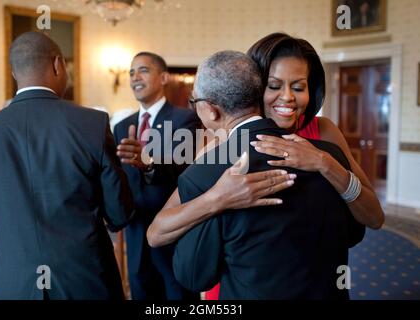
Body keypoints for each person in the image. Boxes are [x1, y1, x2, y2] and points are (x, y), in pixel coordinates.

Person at [147, 33, 384, 299]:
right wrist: (218, 198)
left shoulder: (326, 136)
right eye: (274, 86)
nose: (287, 98)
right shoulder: (219, 147)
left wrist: (325, 163)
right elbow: (163, 229)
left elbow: (372, 218)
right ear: (254, 88)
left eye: (298, 86)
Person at [0, 31, 134, 300]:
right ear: (58, 64)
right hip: (86, 276)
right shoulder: (92, 123)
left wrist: (12, 243)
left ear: (14, 73)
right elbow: (118, 213)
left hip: (15, 279)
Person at [113, 52, 200, 300]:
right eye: (131, 72)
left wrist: (149, 162)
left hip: (173, 233)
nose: (134, 77)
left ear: (163, 77)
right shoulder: (121, 126)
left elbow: (182, 167)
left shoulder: (186, 119)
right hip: (136, 231)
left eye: (142, 70)